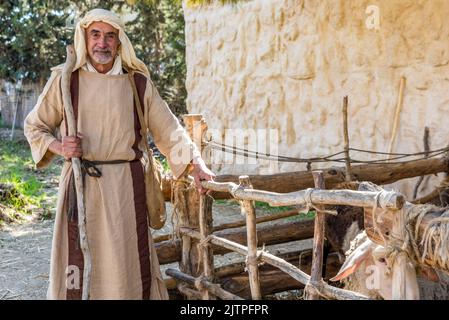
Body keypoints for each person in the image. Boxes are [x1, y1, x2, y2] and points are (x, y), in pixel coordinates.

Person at [23, 8, 215, 300]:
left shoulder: (136, 83)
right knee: (76, 262)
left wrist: (196, 163)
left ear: (119, 41)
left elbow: (169, 130)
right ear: (85, 39)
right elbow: (34, 126)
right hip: (79, 185)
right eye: (95, 35)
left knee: (126, 264)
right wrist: (60, 146)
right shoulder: (65, 81)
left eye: (110, 36)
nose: (102, 43)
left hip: (125, 189)